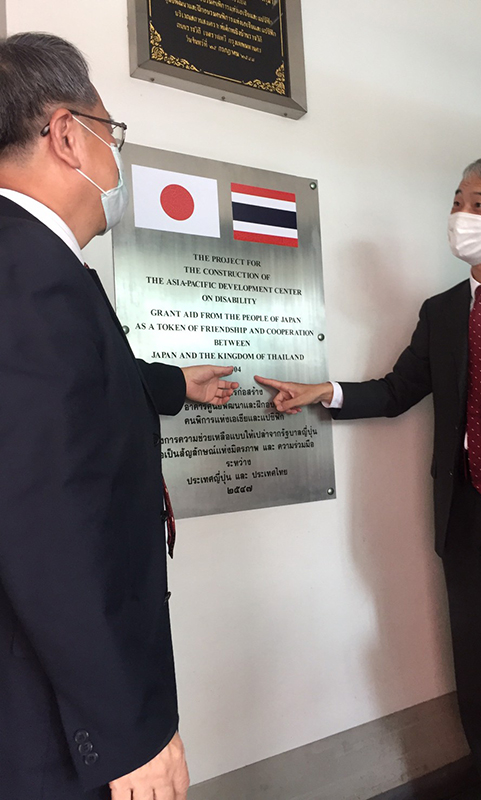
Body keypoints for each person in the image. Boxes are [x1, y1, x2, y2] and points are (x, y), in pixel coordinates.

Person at [256, 154, 481, 800]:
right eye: (458, 200)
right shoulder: (443, 312)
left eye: (478, 203)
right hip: (464, 520)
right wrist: (322, 391)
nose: (461, 215)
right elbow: (395, 391)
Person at [0, 33, 239, 800]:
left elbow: (66, 398)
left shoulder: (33, 263)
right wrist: (128, 730)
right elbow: (46, 523)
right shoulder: (29, 278)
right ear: (67, 134)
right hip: (54, 724)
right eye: (111, 131)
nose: (115, 156)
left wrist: (173, 386)